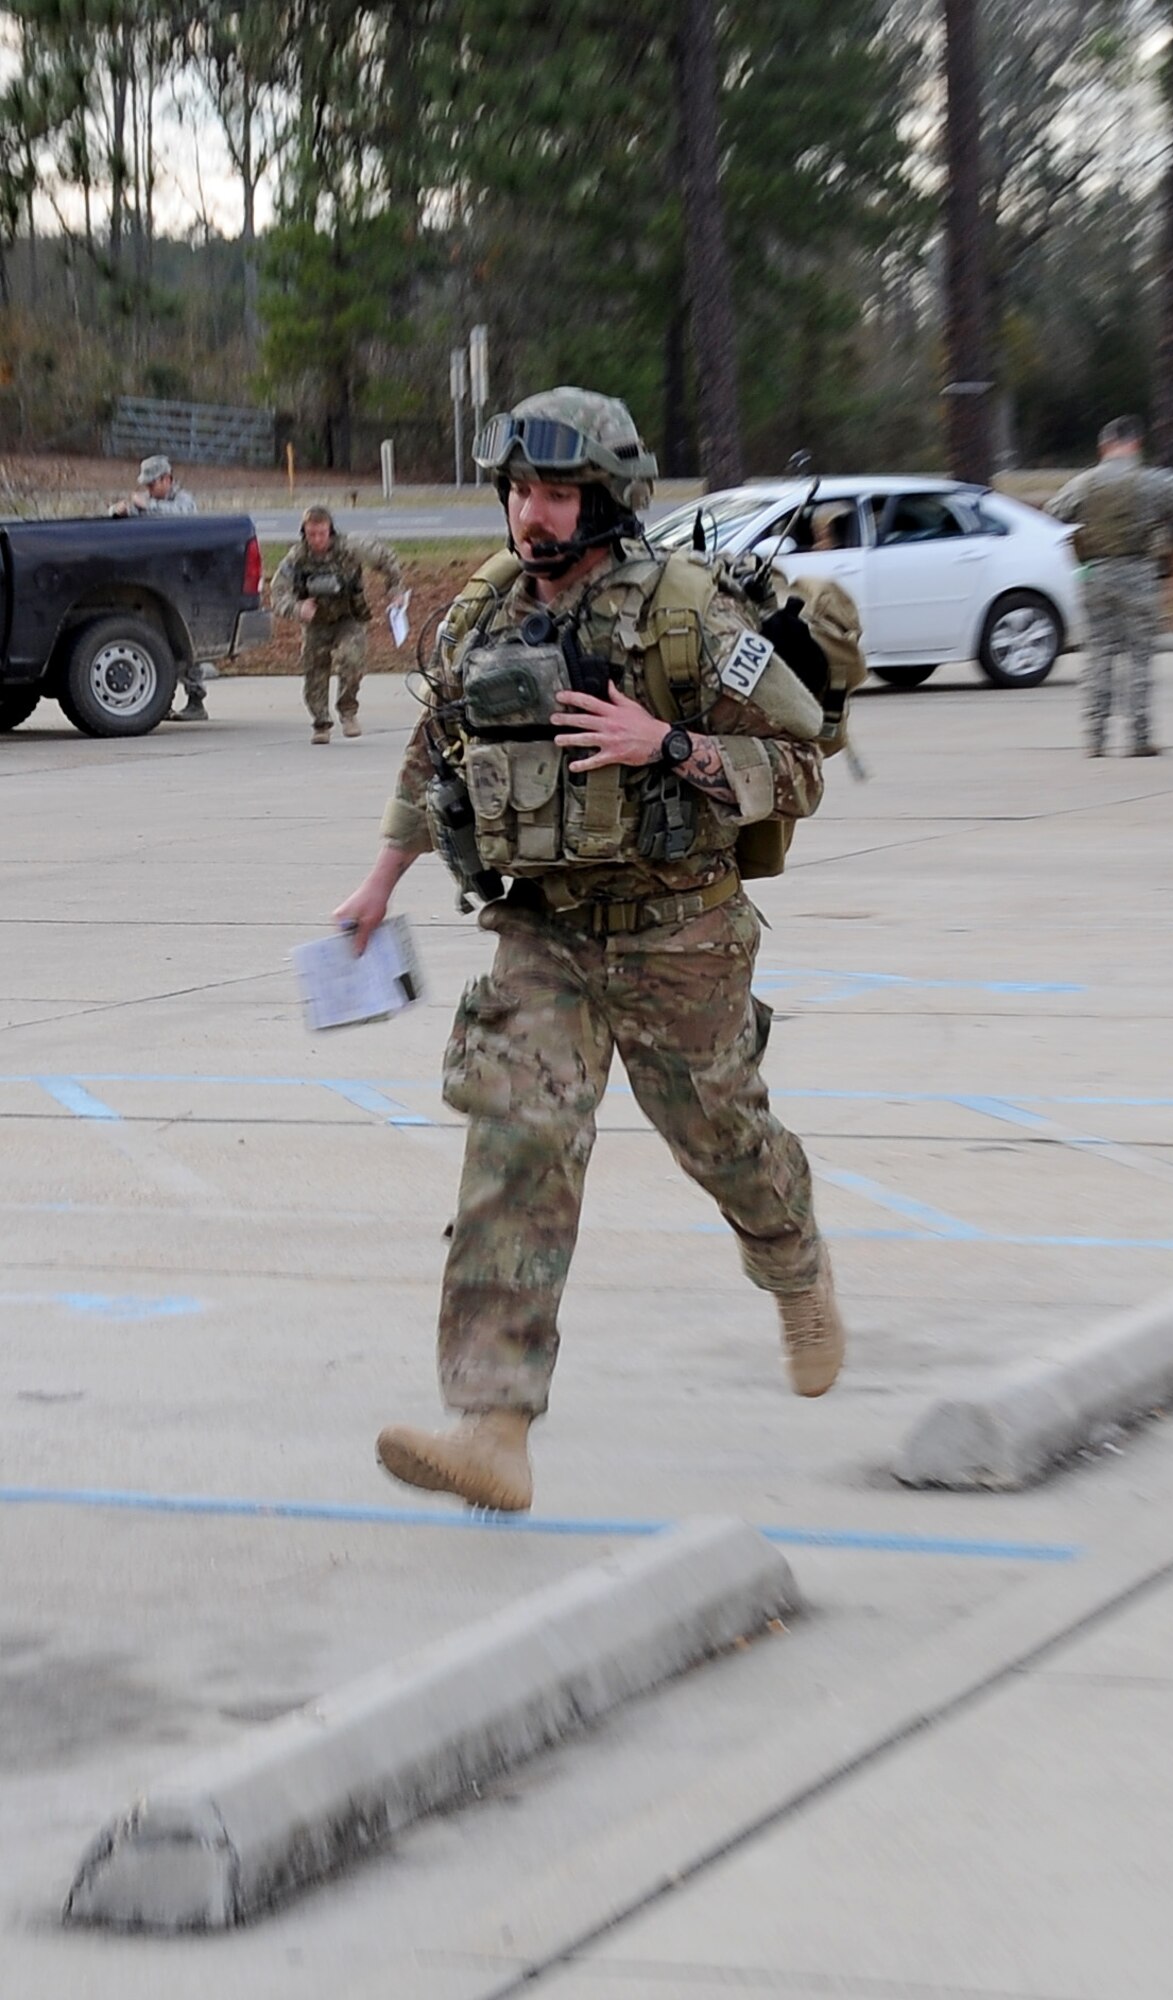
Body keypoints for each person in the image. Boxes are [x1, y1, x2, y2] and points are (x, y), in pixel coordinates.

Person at [334, 386, 845, 1513]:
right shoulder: (483, 616)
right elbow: (434, 755)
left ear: (606, 499)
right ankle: (493, 1425)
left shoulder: (687, 612)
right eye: (518, 490)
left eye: (555, 492)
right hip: (543, 933)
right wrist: (379, 880)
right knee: (515, 1148)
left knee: (723, 1138)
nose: (530, 513)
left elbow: (802, 763)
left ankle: (795, 1265)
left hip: (680, 932)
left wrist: (664, 741)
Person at [1043, 417, 1173, 757]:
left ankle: (1094, 738)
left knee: (1098, 657)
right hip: (1139, 575)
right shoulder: (1149, 481)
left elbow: (1054, 512)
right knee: (1139, 658)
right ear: (1137, 445)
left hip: (1095, 575)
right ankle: (1139, 737)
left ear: (1103, 448)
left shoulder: (1083, 484)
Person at [271, 505, 406, 743]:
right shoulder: (297, 558)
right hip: (316, 623)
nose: (317, 540)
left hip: (349, 617)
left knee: (352, 660)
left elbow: (386, 559)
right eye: (311, 534)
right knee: (315, 672)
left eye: (321, 533)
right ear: (304, 533)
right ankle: (321, 723)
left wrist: (395, 590)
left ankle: (348, 710)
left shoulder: (351, 548)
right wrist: (297, 608)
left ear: (330, 530)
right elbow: (278, 593)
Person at [109, 455, 210, 722]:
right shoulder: (149, 503)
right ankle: (162, 700)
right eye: (148, 485)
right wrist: (120, 511)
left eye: (153, 484)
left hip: (185, 580)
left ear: (167, 479)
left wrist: (147, 506)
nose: (150, 490)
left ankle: (196, 699)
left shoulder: (182, 500)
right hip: (157, 581)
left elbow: (184, 515)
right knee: (159, 640)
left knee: (184, 640)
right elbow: (129, 512)